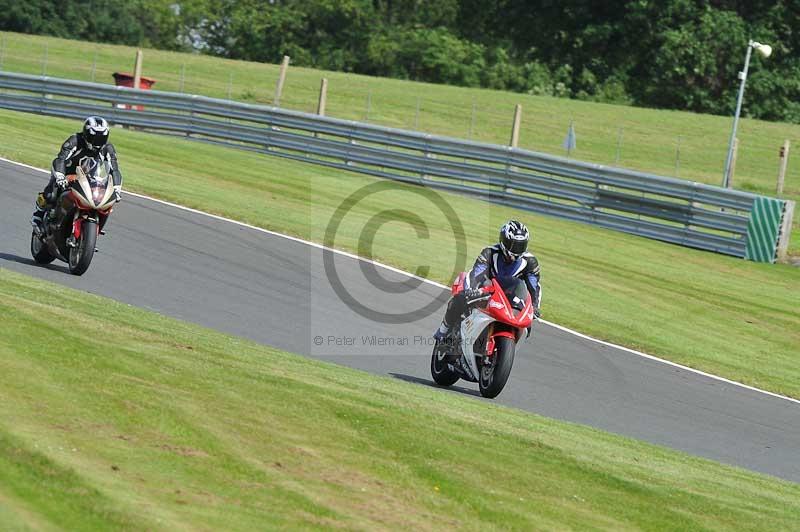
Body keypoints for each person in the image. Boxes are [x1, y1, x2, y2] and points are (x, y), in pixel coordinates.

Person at [434, 220, 542, 341]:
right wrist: (471, 290)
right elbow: (476, 273)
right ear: (504, 241)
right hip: (486, 291)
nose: (516, 250)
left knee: (527, 326)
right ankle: (443, 330)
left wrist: (535, 307)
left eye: (521, 246)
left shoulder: (530, 262)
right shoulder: (489, 252)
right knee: (459, 298)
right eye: (513, 245)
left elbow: (534, 287)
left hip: (510, 299)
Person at [31, 116, 122, 232]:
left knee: (104, 202)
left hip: (90, 178)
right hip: (67, 175)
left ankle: (94, 226)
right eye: (94, 137)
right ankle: (38, 216)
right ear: (86, 133)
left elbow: (114, 169)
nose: (98, 142)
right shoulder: (75, 141)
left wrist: (117, 188)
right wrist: (60, 176)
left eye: (101, 138)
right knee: (51, 194)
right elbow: (60, 159)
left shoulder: (107, 148)